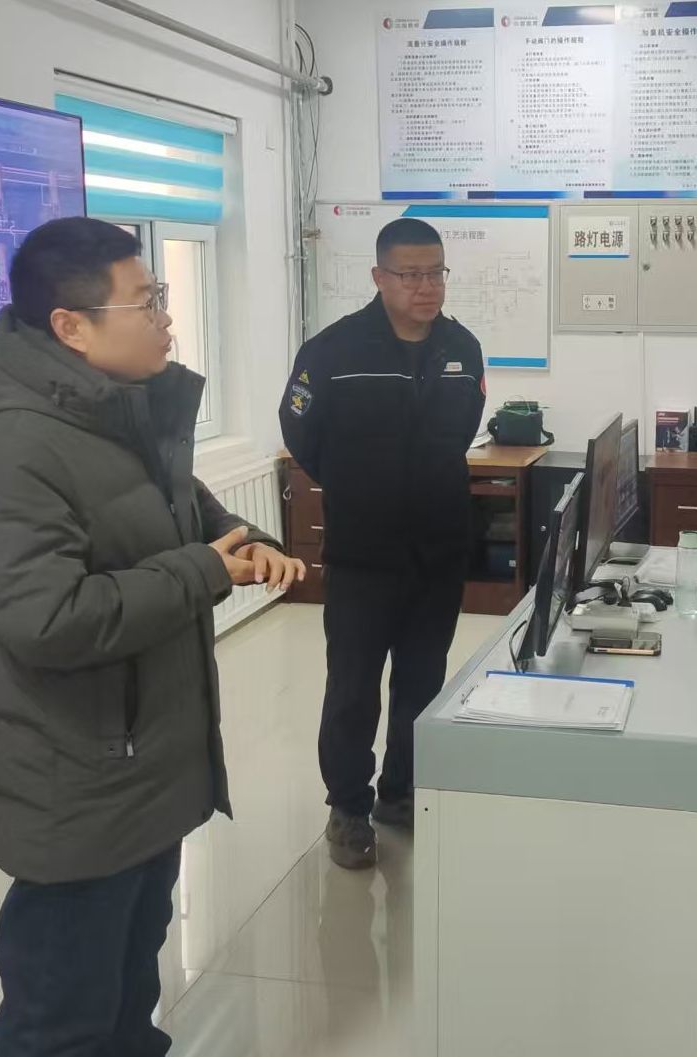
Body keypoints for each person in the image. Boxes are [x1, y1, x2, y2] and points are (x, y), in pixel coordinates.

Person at [0, 217, 303, 1057]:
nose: (166, 317)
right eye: (147, 301)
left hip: (146, 761)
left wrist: (240, 537)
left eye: (162, 295)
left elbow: (179, 506)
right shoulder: (10, 446)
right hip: (80, 779)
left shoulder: (118, 409)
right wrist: (203, 571)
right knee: (61, 1016)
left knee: (131, 981)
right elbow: (47, 617)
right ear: (71, 326)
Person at [279, 218, 486, 870]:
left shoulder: (462, 349)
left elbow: (462, 431)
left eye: (436, 273)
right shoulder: (332, 351)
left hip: (438, 549)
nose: (427, 287)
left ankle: (401, 791)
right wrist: (361, 487)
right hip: (362, 553)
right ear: (379, 277)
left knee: (423, 680)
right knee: (353, 686)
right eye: (411, 274)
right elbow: (301, 433)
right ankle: (348, 806)